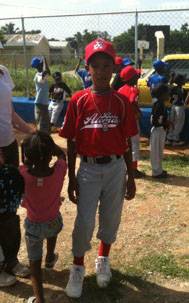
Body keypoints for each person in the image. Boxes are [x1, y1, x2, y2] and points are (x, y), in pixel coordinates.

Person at [59, 38, 138, 298]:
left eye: (107, 66)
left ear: (114, 70)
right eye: (96, 66)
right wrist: (71, 177)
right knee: (83, 221)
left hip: (115, 167)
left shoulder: (121, 102)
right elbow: (70, 141)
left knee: (111, 217)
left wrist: (130, 177)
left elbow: (126, 142)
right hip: (89, 169)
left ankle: (103, 259)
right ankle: (78, 266)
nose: (102, 71)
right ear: (87, 69)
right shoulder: (78, 100)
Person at [20, 131, 67, 303]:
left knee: (34, 262)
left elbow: (24, 166)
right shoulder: (60, 171)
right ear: (50, 155)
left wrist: (29, 159)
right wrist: (53, 148)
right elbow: (62, 156)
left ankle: (39, 299)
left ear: (27, 156)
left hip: (33, 225)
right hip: (53, 221)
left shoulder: (23, 174)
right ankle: (49, 257)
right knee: (51, 231)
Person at [0, 58, 33, 284]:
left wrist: (30, 131)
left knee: (10, 209)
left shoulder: (3, 72)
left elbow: (9, 114)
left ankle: (10, 259)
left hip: (9, 147)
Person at [0, 150, 27, 287]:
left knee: (11, 234)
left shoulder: (10, 172)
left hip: (8, 213)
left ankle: (11, 262)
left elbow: (21, 189)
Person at [118, 65, 146, 178]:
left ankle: (125, 168)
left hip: (122, 121)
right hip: (131, 121)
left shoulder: (120, 89)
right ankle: (133, 170)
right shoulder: (133, 89)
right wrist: (137, 111)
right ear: (130, 78)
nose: (137, 76)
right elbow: (132, 102)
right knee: (134, 145)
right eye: (135, 75)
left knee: (125, 144)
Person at [150, 83, 170, 178]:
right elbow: (156, 121)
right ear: (162, 95)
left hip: (160, 130)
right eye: (167, 93)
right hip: (157, 130)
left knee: (159, 151)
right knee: (156, 152)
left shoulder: (161, 103)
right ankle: (156, 172)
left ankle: (159, 169)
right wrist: (165, 123)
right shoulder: (158, 104)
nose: (168, 95)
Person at [166, 73, 189, 145]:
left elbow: (169, 85)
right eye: (183, 79)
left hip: (173, 107)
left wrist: (171, 77)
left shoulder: (172, 88)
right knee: (178, 124)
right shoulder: (183, 90)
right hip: (179, 108)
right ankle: (176, 140)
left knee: (172, 122)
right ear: (181, 81)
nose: (185, 80)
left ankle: (169, 138)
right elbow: (186, 102)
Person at [31, 56, 51, 134]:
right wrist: (45, 60)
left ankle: (46, 143)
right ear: (39, 65)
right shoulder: (38, 76)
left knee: (45, 125)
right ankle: (41, 144)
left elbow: (48, 72)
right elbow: (45, 71)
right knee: (42, 127)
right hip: (40, 105)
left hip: (43, 104)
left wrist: (44, 62)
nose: (43, 64)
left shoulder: (41, 74)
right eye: (41, 63)